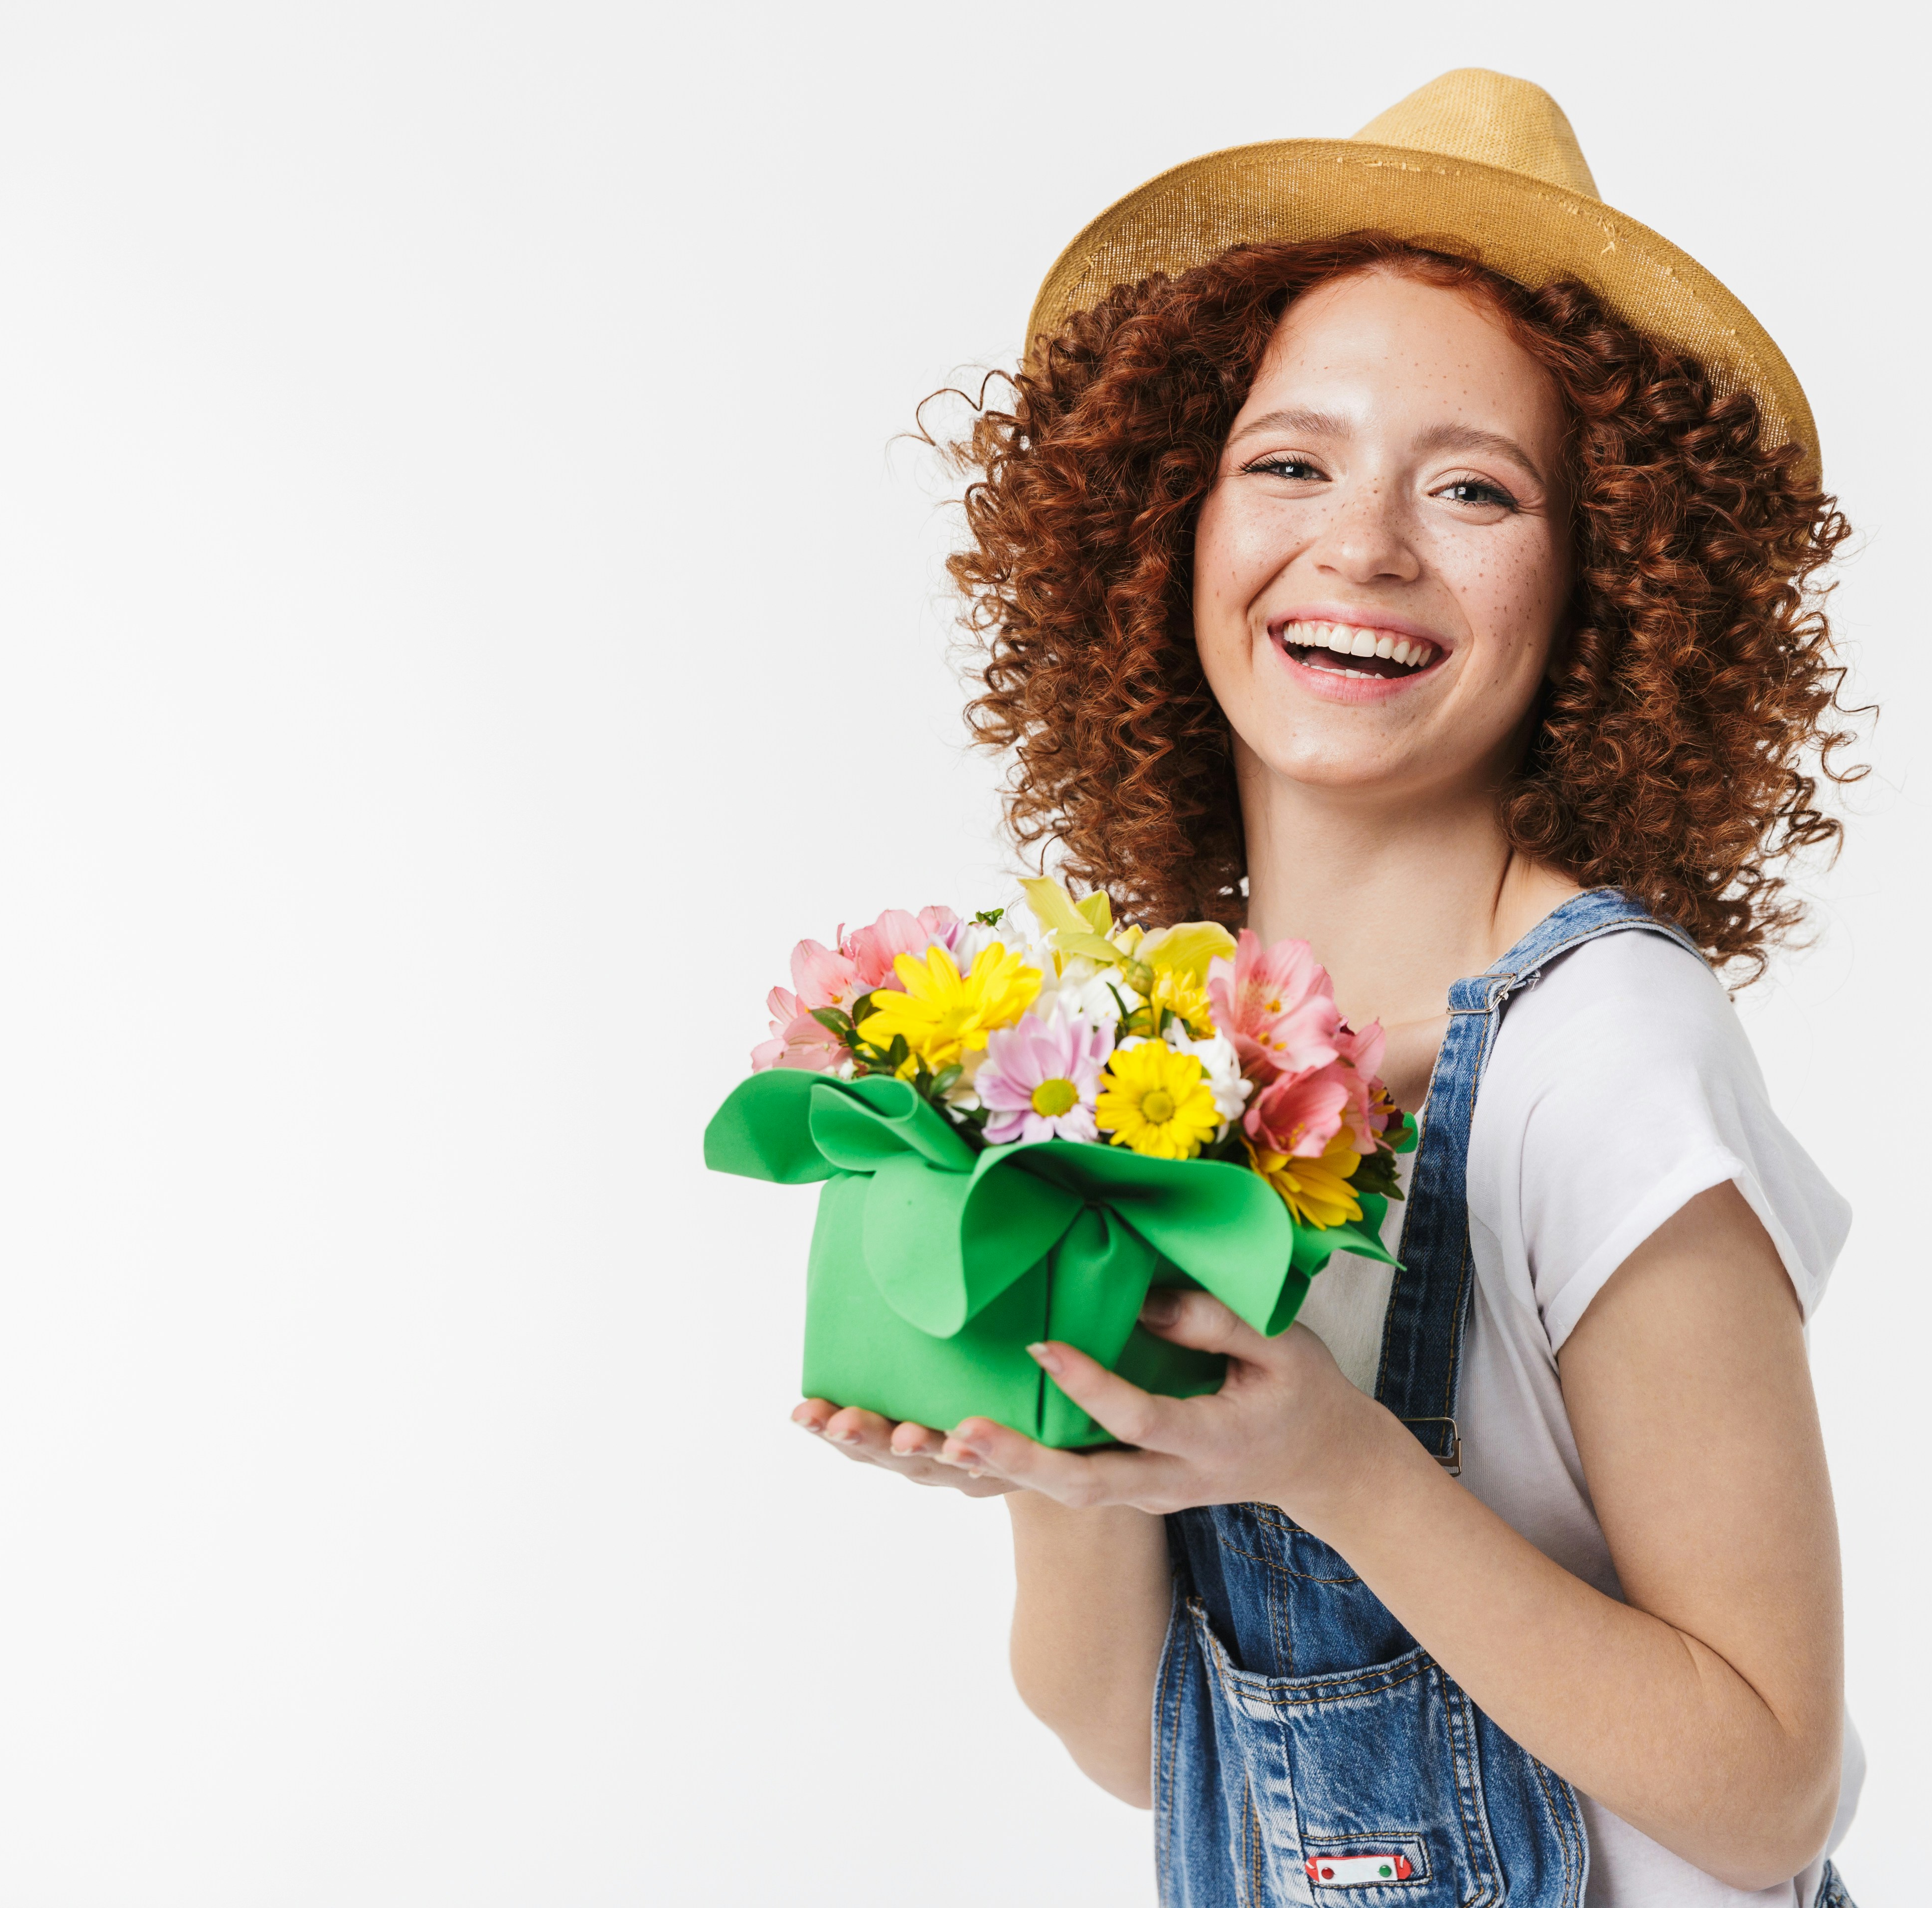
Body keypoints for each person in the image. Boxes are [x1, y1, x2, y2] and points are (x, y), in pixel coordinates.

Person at [790, 70, 1865, 1908]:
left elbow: (1770, 1792)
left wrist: (1334, 1465)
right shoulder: (1166, 1066)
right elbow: (1136, 1744)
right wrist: (1063, 1445)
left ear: (1606, 590)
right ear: (1167, 527)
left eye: (1471, 487)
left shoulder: (1598, 1056)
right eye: (1290, 462)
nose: (1362, 545)